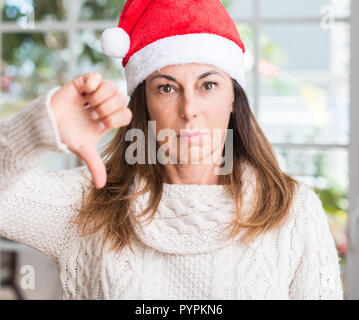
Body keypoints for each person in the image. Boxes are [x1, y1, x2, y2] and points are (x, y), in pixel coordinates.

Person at [0, 0, 344, 300]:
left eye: (208, 85)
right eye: (167, 88)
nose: (189, 108)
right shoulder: (86, 204)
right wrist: (36, 130)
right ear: (144, 103)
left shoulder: (294, 211)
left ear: (233, 99)